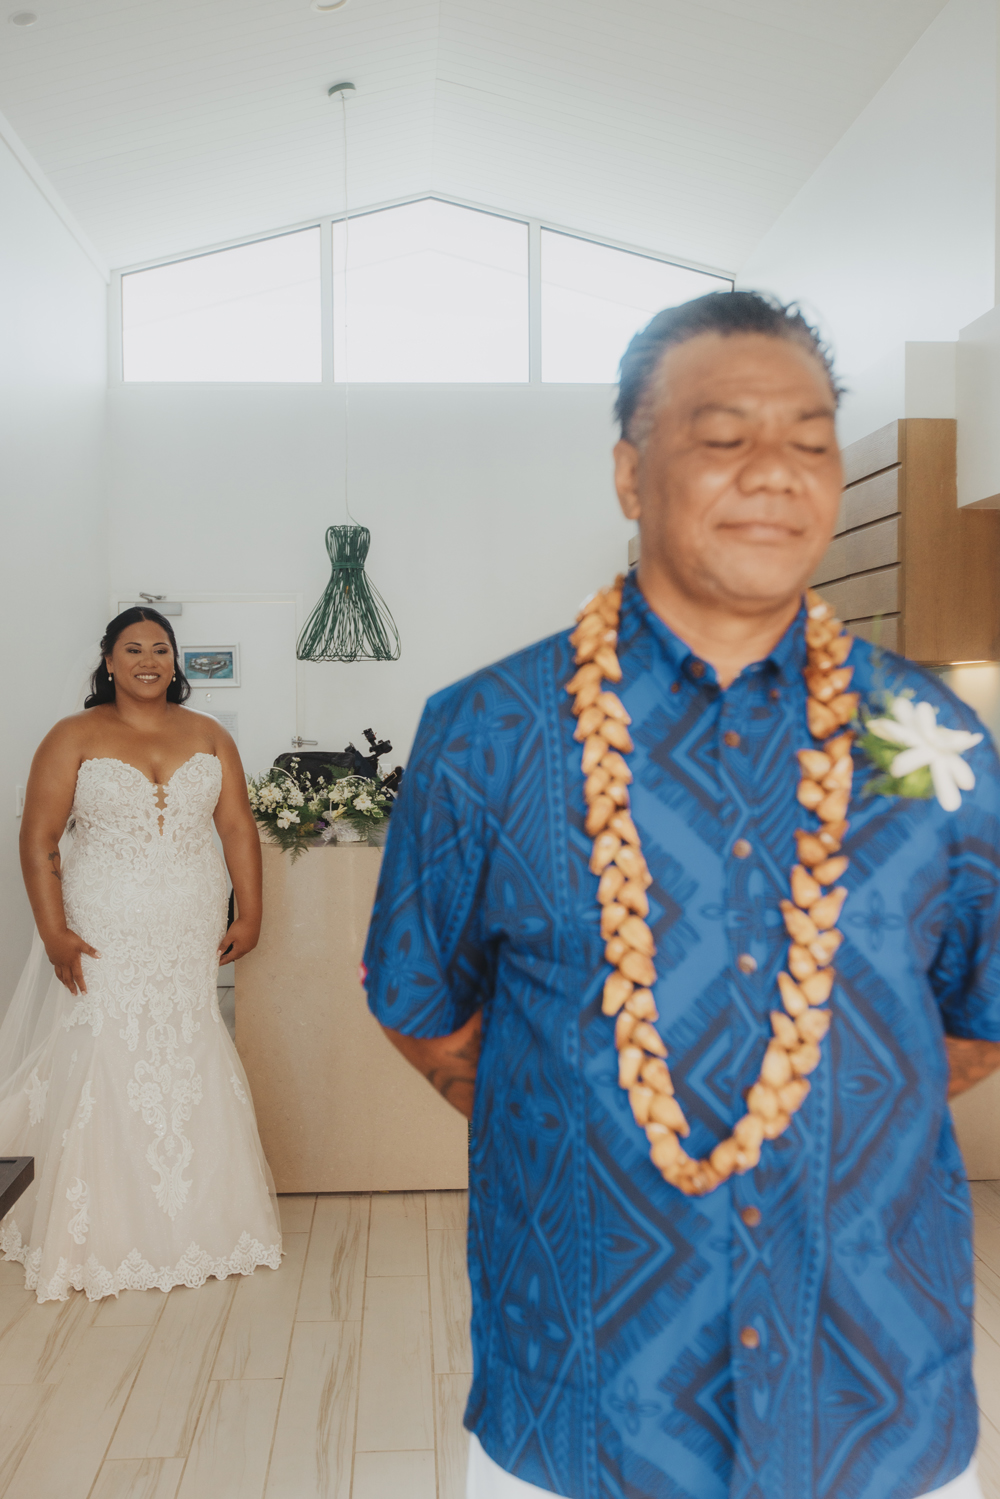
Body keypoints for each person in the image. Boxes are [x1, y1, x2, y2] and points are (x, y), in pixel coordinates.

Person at [362, 291, 1000, 1499]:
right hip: (587, 1399)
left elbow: (976, 1010)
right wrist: (576, 1115)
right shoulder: (488, 733)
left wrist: (836, 1111)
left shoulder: (934, 736)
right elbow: (416, 999)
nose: (776, 473)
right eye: (724, 435)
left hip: (874, 1400)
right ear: (627, 469)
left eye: (811, 440)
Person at [0, 607, 281, 1301]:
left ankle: (204, 1220)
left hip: (188, 926)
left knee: (188, 1042)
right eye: (134, 648)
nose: (149, 659)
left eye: (161, 648)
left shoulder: (210, 735)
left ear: (176, 661)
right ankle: (99, 1228)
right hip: (104, 927)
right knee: (107, 1042)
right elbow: (38, 839)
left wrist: (251, 911)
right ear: (109, 661)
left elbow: (238, 825)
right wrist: (53, 930)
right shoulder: (72, 736)